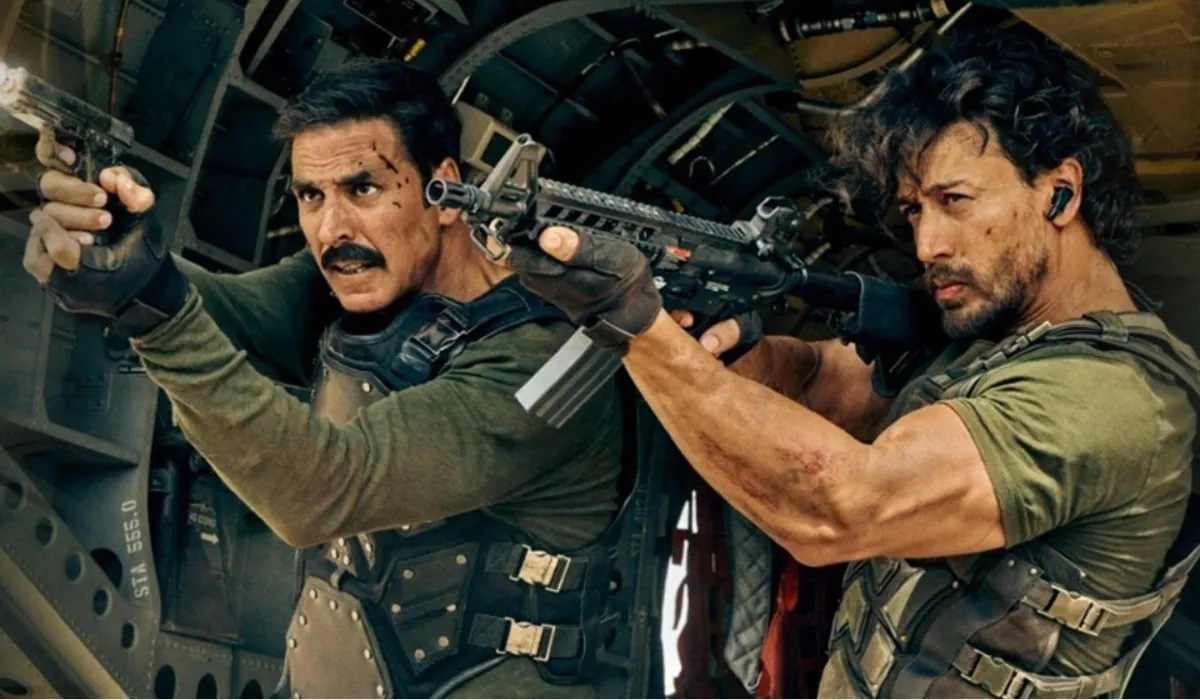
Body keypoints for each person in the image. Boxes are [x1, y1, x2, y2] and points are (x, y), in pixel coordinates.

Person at [503, 24, 1200, 699]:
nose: (926, 244)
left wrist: (637, 327)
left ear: (1059, 192)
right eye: (914, 211)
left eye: (955, 201)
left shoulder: (1111, 394)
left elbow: (840, 507)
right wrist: (727, 342)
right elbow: (812, 383)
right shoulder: (989, 344)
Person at [22, 58, 640, 699]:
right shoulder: (364, 279)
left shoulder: (539, 359)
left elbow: (323, 491)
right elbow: (229, 313)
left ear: (444, 189)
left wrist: (154, 311)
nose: (330, 229)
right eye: (311, 196)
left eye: (363, 189)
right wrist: (121, 246)